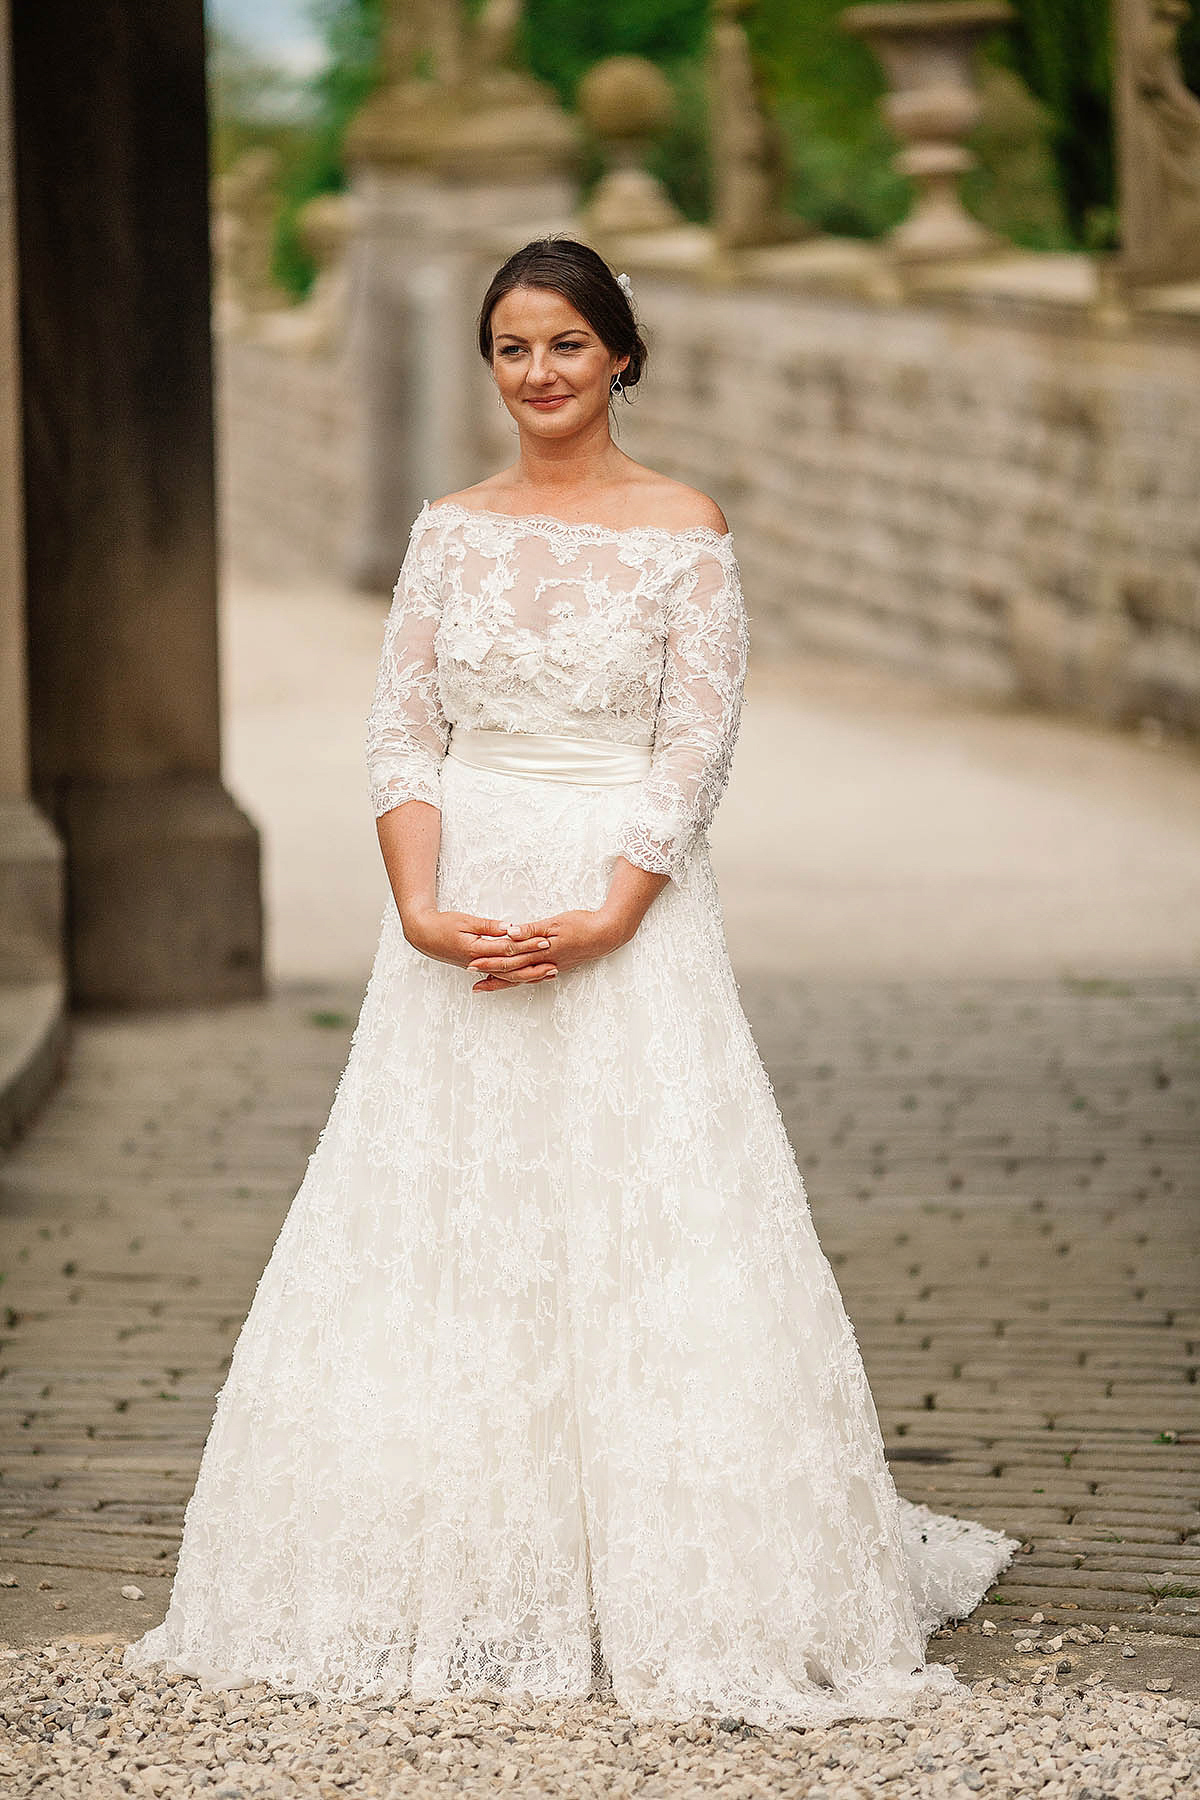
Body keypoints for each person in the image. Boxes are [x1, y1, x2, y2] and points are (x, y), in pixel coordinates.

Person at [123, 238, 1017, 1728]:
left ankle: (685, 1572)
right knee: (447, 1228)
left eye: (566, 344)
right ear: (492, 367)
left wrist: (613, 910)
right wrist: (420, 903)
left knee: (646, 1221)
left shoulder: (683, 528)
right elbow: (404, 732)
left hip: (627, 906)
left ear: (621, 355)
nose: (538, 373)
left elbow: (696, 742)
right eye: (512, 348)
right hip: (465, 913)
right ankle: (457, 1564)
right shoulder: (448, 531)